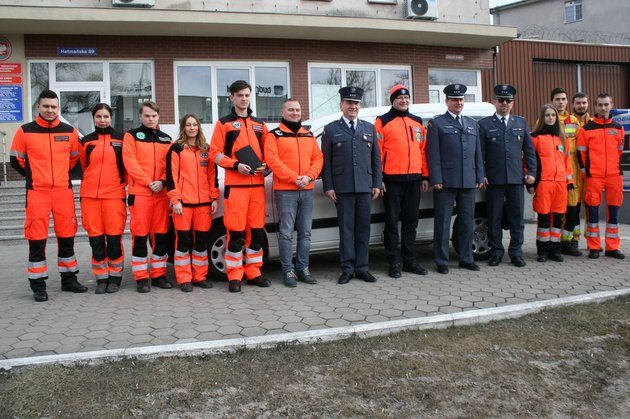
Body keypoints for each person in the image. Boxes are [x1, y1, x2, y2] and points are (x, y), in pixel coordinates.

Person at [9, 89, 86, 302]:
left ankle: (69, 279)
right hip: (37, 193)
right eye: (46, 106)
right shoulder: (25, 131)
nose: (50, 110)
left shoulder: (69, 132)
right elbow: (17, 160)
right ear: (38, 107)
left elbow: (74, 160)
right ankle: (38, 284)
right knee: (36, 238)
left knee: (67, 237)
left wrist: (60, 177)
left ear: (58, 108)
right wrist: (33, 176)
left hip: (63, 191)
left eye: (53, 107)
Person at [209, 80, 269, 293]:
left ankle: (254, 273)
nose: (244, 99)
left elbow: (269, 154)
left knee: (257, 233)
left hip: (257, 188)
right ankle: (234, 275)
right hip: (236, 187)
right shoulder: (223, 124)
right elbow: (214, 153)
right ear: (231, 98)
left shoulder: (260, 124)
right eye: (240, 95)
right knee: (235, 233)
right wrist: (235, 165)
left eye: (247, 95)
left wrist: (266, 166)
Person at [321, 86, 382, 285]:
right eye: (349, 103)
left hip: (365, 187)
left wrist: (376, 183)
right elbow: (326, 162)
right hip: (343, 188)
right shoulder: (331, 129)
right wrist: (328, 186)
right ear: (341, 105)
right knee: (346, 230)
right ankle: (347, 268)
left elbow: (376, 160)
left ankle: (362, 268)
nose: (353, 107)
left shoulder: (369, 128)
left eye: (356, 103)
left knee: (363, 229)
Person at [264, 99, 323, 287]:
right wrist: (294, 177)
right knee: (286, 233)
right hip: (285, 191)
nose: (295, 113)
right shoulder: (274, 135)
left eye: (297, 109)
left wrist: (309, 177)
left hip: (306, 189)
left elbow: (318, 158)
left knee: (305, 233)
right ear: (283, 112)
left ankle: (303, 268)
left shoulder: (309, 134)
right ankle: (288, 270)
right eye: (291, 110)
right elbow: (272, 161)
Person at [427, 84, 485, 274]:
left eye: (460, 100)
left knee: (467, 222)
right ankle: (442, 261)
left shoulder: (471, 123)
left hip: (468, 180)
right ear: (447, 101)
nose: (458, 103)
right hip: (446, 181)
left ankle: (466, 258)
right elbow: (433, 154)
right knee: (442, 223)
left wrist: (479, 175)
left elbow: (477, 153)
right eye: (454, 100)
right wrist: (436, 178)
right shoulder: (437, 124)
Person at [478, 84, 536, 267]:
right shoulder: (484, 124)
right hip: (494, 181)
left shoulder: (521, 123)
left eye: (508, 101)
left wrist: (532, 172)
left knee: (517, 219)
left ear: (512, 103)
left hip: (516, 180)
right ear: (494, 101)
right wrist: (482, 174)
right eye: (501, 100)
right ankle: (496, 252)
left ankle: (516, 253)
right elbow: (479, 154)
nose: (504, 104)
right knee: (494, 219)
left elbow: (529, 151)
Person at [375, 84, 429, 278]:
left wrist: (424, 175)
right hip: (391, 180)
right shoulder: (382, 121)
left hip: (414, 179)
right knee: (391, 224)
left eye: (406, 98)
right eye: (399, 98)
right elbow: (377, 152)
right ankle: (394, 263)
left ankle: (410, 261)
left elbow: (423, 150)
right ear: (393, 100)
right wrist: (378, 177)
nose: (403, 100)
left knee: (410, 223)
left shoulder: (417, 121)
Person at [122, 101, 173, 293]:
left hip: (161, 195)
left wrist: (161, 181)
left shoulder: (166, 139)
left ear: (158, 117)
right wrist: (148, 181)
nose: (151, 119)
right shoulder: (131, 136)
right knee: (140, 237)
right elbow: (130, 162)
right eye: (147, 116)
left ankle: (159, 275)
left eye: (154, 116)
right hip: (140, 194)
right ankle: (141, 277)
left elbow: (171, 165)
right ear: (141, 117)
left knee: (161, 238)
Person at [166, 114, 219, 291]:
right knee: (183, 242)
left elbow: (212, 176)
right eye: (188, 125)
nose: (191, 128)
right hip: (183, 204)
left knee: (201, 242)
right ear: (183, 127)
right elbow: (171, 175)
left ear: (198, 127)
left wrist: (214, 197)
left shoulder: (206, 149)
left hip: (204, 204)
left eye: (194, 124)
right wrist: (176, 199)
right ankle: (184, 278)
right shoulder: (176, 148)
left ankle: (199, 276)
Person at [79, 103, 126, 294]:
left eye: (106, 116)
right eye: (99, 117)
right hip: (90, 197)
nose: (102, 120)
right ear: (93, 118)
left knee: (114, 240)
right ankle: (101, 278)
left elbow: (126, 166)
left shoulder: (121, 139)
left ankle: (115, 278)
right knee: (96, 241)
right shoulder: (86, 141)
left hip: (114, 196)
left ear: (111, 117)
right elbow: (83, 165)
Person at [576, 93, 625, 259]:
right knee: (593, 212)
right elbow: (581, 155)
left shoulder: (618, 128)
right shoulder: (586, 129)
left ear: (611, 105)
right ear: (595, 106)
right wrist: (587, 174)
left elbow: (619, 152)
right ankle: (594, 246)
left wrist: (614, 170)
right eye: (600, 105)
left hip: (614, 176)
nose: (603, 108)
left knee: (614, 211)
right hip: (594, 176)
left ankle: (612, 247)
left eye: (606, 105)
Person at [529, 104, 573, 263]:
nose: (550, 118)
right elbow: (529, 161)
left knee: (558, 219)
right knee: (544, 219)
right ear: (542, 118)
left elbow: (567, 163)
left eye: (553, 115)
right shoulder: (535, 138)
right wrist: (530, 181)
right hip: (544, 183)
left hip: (561, 183)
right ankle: (542, 250)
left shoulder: (563, 139)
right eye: (547, 115)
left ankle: (555, 250)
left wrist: (570, 181)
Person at [551, 87, 583, 256]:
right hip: (555, 169)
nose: (561, 102)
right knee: (556, 210)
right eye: (558, 99)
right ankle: (553, 243)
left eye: (563, 99)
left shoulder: (573, 121)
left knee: (573, 208)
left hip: (573, 169)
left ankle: (569, 241)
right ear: (552, 101)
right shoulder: (548, 119)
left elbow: (580, 147)